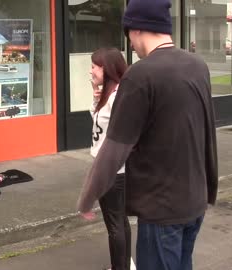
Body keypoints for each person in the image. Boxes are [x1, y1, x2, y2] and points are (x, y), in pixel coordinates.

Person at [77, 0, 218, 270]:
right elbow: (207, 129)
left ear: (139, 29)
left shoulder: (140, 75)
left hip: (161, 208)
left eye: (128, 33)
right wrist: (209, 188)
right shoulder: (197, 65)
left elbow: (115, 148)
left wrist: (88, 196)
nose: (129, 43)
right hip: (195, 201)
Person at [84, 48, 131, 270]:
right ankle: (124, 265)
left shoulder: (118, 96)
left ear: (107, 68)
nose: (90, 70)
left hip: (112, 169)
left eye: (94, 66)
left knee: (115, 224)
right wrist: (95, 92)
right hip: (108, 167)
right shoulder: (109, 94)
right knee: (119, 221)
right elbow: (98, 124)